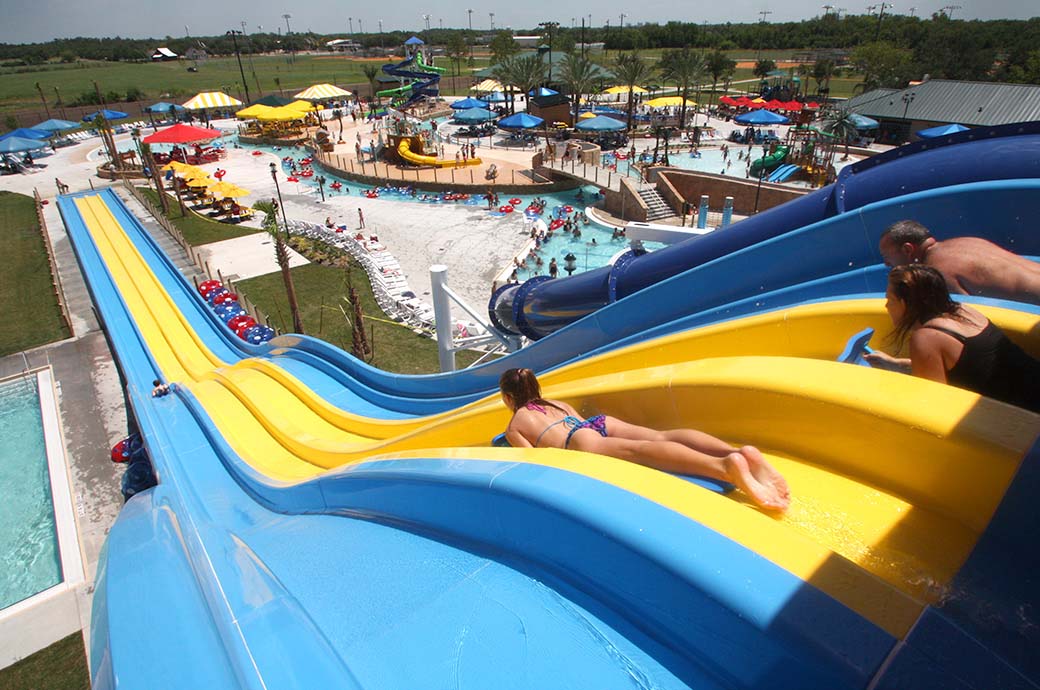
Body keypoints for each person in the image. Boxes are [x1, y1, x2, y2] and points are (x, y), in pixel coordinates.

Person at [498, 368, 790, 511]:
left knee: (644, 451)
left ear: (508, 398)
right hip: (599, 424)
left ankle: (725, 466)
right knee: (661, 436)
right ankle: (737, 451)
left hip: (579, 442)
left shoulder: (516, 424)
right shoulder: (555, 403)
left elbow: (537, 461)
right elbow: (578, 422)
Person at [864, 265, 1040, 413]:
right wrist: (896, 364)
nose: (886, 306)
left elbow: (935, 406)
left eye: (889, 299)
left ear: (904, 303)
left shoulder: (925, 339)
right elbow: (968, 367)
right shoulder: (963, 311)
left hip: (1030, 417)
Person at [878, 220, 1040, 305]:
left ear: (907, 249)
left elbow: (973, 319)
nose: (886, 263)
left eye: (887, 256)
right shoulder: (966, 242)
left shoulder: (938, 272)